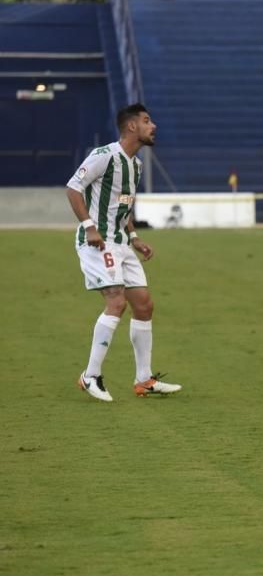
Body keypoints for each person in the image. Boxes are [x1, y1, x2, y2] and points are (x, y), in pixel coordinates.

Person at [67, 103, 182, 402]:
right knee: (116, 301)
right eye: (146, 121)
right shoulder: (104, 156)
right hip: (98, 242)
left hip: (121, 242)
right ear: (131, 127)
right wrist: (90, 227)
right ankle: (90, 375)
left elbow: (123, 204)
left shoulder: (136, 165)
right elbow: (73, 188)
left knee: (143, 305)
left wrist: (134, 236)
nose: (153, 125)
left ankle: (143, 379)